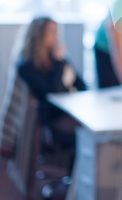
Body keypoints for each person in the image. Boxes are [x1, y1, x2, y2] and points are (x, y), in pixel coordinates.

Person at [17, 17, 86, 149]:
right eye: (52, 31)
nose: (56, 36)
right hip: (52, 116)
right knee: (88, 129)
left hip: (72, 109)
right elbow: (51, 91)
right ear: (39, 34)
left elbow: (81, 84)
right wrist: (58, 61)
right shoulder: (27, 66)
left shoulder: (57, 59)